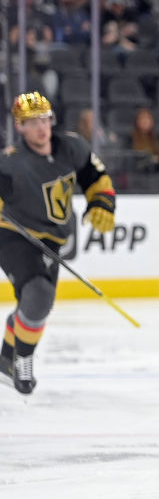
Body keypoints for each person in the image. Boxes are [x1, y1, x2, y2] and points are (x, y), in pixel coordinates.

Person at [0, 92, 117, 394]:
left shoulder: (72, 147)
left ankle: (5, 358)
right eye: (31, 122)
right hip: (15, 235)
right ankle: (22, 360)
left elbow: (95, 177)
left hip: (53, 238)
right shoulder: (10, 163)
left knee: (36, 304)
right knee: (39, 296)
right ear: (19, 126)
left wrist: (102, 204)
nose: (41, 127)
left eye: (44, 119)